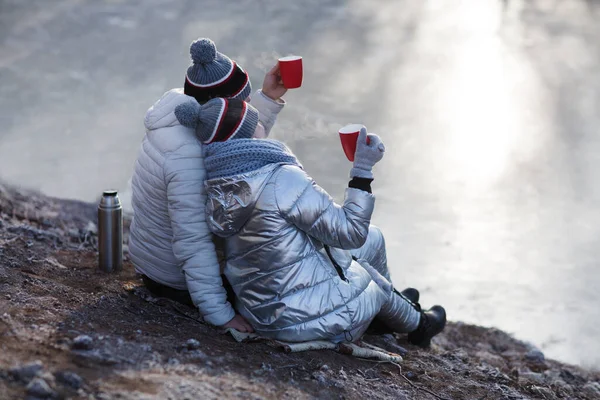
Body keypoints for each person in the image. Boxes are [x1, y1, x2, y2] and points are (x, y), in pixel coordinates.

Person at [173, 97, 447, 346]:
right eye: (255, 122)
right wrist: (362, 170)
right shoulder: (281, 178)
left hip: (262, 312)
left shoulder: (217, 186)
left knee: (374, 239)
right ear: (247, 135)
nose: (262, 125)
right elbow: (350, 233)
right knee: (368, 275)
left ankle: (398, 308)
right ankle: (419, 324)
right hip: (311, 322)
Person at [128, 38, 288, 333]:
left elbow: (238, 140)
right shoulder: (187, 157)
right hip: (173, 278)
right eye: (245, 102)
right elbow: (193, 242)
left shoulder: (179, 113)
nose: (249, 105)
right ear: (221, 108)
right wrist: (221, 314)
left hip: (153, 258)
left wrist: (268, 99)